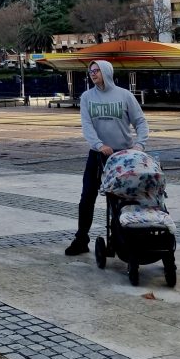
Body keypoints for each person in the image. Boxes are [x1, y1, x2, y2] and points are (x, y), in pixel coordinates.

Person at [64, 59, 149, 256]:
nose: (92, 74)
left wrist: (139, 144)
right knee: (87, 197)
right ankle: (81, 239)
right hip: (98, 155)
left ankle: (119, 238)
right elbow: (87, 125)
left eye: (96, 70)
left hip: (123, 157)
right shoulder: (87, 97)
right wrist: (99, 145)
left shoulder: (125, 95)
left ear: (106, 72)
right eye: (90, 71)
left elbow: (140, 121)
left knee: (120, 199)